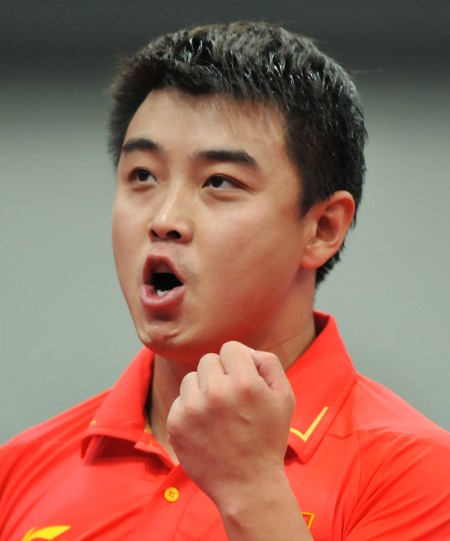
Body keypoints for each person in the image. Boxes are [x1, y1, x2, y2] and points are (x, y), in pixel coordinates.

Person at [0, 21, 448, 541]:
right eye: (143, 175)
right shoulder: (16, 471)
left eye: (219, 181)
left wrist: (251, 490)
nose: (164, 219)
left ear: (323, 228)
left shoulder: (419, 474)